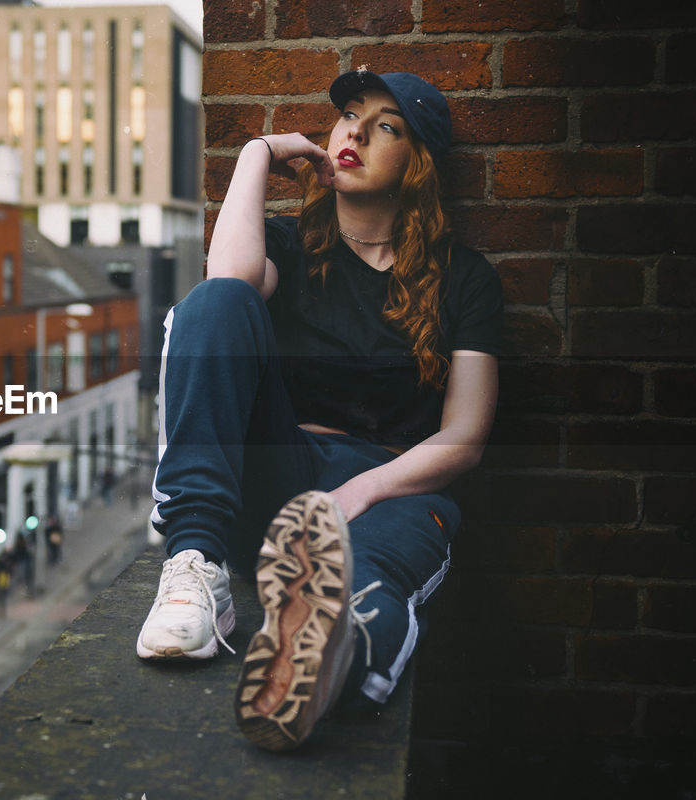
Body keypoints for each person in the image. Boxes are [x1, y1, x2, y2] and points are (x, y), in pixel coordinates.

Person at [136, 70, 501, 752]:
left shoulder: (466, 278)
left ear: (417, 163)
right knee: (211, 302)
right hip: (280, 478)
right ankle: (194, 564)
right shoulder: (290, 244)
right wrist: (257, 154)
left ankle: (323, 666)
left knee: (369, 587)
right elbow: (229, 289)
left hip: (394, 487)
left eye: (385, 125)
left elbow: (466, 437)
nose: (353, 132)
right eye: (349, 116)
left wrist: (357, 494)